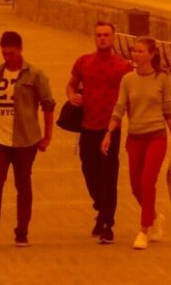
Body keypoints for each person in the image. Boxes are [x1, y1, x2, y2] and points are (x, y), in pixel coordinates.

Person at [0, 31, 55, 248]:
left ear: (20, 50)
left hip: (26, 140)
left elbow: (48, 105)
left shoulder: (36, 75)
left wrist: (47, 137)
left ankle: (22, 231)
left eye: (11, 53)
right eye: (4, 53)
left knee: (23, 184)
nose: (8, 57)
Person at [101, 37, 171, 250]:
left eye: (141, 51)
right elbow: (119, 108)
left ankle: (143, 231)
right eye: (134, 51)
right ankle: (154, 216)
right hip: (135, 137)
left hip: (157, 136)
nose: (136, 55)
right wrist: (109, 131)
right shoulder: (127, 79)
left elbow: (168, 110)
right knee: (136, 187)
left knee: (147, 182)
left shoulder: (162, 79)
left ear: (151, 55)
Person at [66, 21, 133, 244]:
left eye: (106, 35)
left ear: (113, 38)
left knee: (109, 175)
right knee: (89, 171)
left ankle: (107, 223)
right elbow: (71, 85)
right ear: (94, 38)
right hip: (87, 127)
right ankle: (101, 207)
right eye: (98, 35)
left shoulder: (123, 67)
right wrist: (71, 96)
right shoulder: (84, 62)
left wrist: (133, 127)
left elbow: (131, 98)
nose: (102, 38)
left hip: (110, 129)